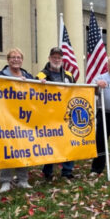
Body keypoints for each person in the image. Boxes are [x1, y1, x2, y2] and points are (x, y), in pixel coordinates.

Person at [36, 47, 75, 180]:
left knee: (68, 142)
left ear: (62, 59)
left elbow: (75, 91)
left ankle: (67, 171)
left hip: (66, 115)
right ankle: (47, 171)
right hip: (49, 115)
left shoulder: (69, 75)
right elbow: (34, 94)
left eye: (59, 57)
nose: (56, 59)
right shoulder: (41, 75)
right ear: (49, 58)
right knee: (50, 143)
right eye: (54, 57)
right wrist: (39, 85)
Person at [0, 48, 33, 192]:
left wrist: (41, 83)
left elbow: (36, 91)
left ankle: (22, 179)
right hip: (6, 117)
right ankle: (5, 181)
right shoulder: (0, 75)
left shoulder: (28, 75)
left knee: (23, 148)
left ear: (22, 60)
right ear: (8, 60)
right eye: (13, 57)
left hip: (24, 118)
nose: (16, 59)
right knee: (7, 148)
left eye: (18, 57)